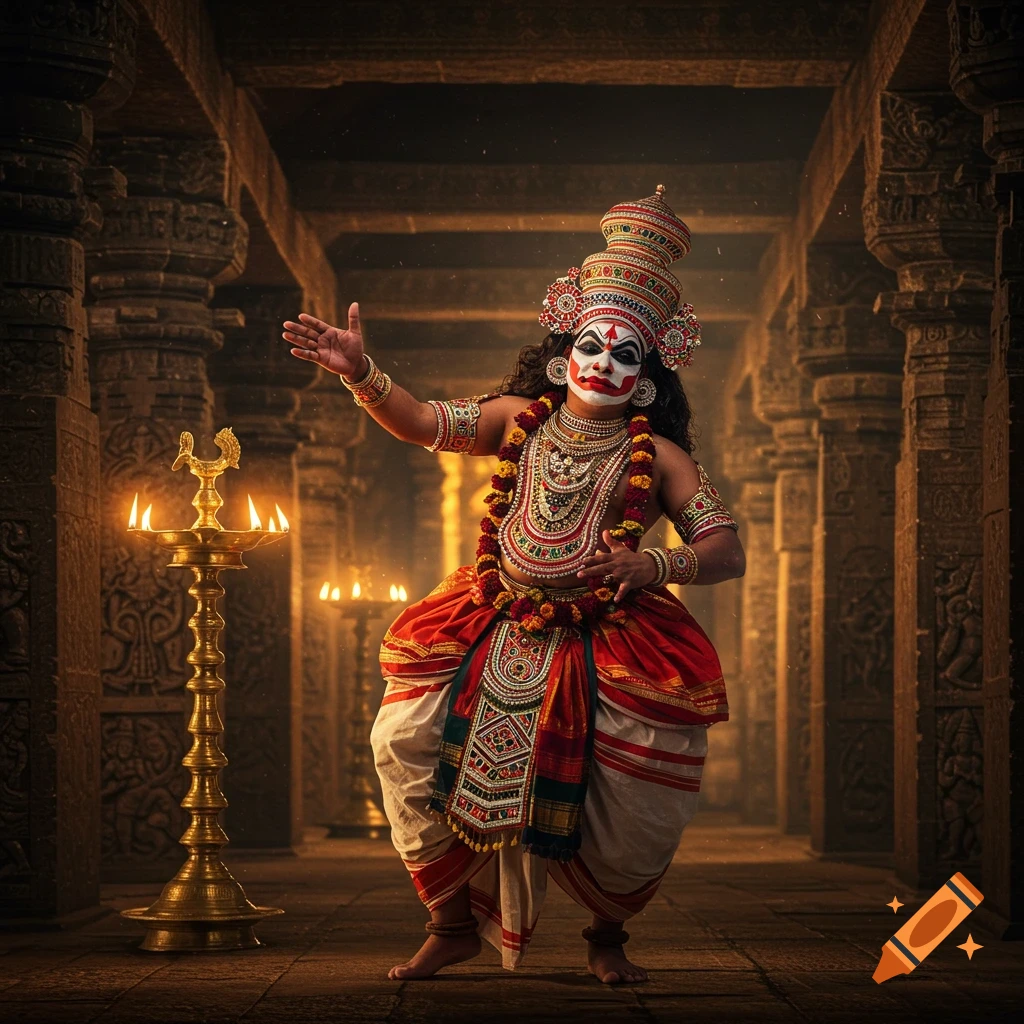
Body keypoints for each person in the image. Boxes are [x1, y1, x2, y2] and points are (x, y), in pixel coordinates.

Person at [283, 185, 745, 985]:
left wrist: (653, 565)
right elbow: (425, 422)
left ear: (643, 381)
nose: (605, 362)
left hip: (610, 630)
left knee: (634, 790)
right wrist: (361, 374)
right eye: (593, 346)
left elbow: (726, 549)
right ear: (565, 359)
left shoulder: (664, 459)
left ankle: (607, 937)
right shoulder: (515, 416)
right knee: (404, 744)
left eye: (626, 354)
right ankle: (449, 923)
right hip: (489, 614)